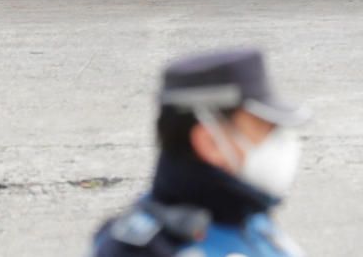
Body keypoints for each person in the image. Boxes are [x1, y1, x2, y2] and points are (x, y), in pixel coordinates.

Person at [90, 48, 310, 256]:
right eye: (264, 130)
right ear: (210, 142)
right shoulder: (147, 251)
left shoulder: (241, 213)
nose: (280, 144)